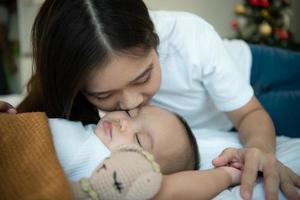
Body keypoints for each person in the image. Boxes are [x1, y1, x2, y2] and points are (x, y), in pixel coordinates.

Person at [0, 0, 299, 199]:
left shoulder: (189, 38)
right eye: (104, 95)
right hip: (225, 122)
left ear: (155, 43)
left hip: (249, 67)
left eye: (143, 77)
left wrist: (260, 149)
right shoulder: (70, 105)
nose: (130, 104)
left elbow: (248, 113)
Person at [49, 105, 241, 200]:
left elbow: (172, 189)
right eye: (131, 113)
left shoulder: (112, 169)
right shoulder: (90, 129)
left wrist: (227, 175)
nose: (124, 123)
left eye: (140, 139)